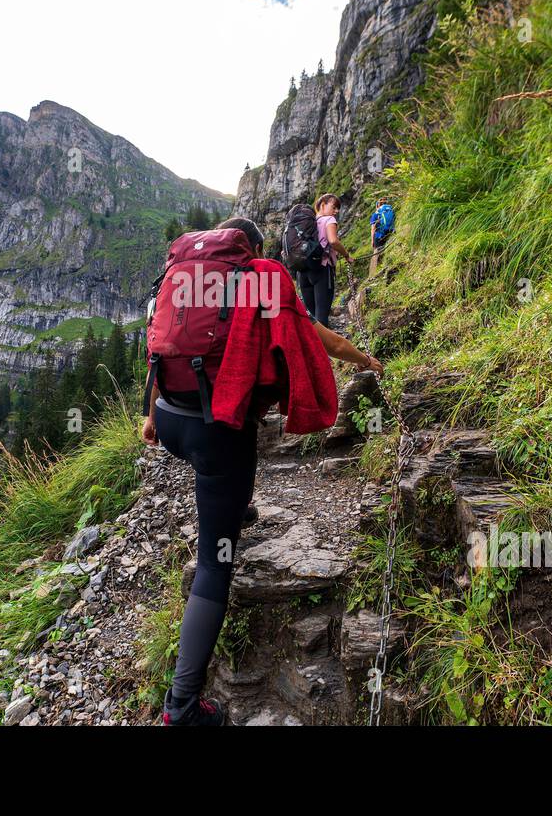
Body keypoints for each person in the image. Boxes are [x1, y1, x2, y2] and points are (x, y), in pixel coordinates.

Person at [141, 216, 382, 726]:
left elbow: (160, 343)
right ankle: (181, 708)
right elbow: (318, 337)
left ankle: (237, 505)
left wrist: (150, 414)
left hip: (168, 421)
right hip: (215, 432)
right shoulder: (262, 278)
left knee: (229, 469)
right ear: (250, 247)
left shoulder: (184, 278)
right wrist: (366, 360)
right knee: (214, 564)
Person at [297, 194, 351, 327]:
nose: (336, 211)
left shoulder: (309, 221)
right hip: (321, 269)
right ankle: (323, 347)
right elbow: (333, 241)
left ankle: (312, 346)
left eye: (338, 208)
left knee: (312, 317)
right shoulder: (329, 220)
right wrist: (346, 255)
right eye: (334, 206)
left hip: (303, 271)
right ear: (322, 205)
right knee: (321, 316)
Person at [369, 198, 395, 277]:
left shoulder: (375, 214)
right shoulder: (390, 210)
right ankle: (386, 265)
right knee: (386, 251)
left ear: (377, 205)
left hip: (379, 237)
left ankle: (375, 274)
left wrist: (372, 241)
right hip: (389, 233)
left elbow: (373, 229)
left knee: (377, 254)